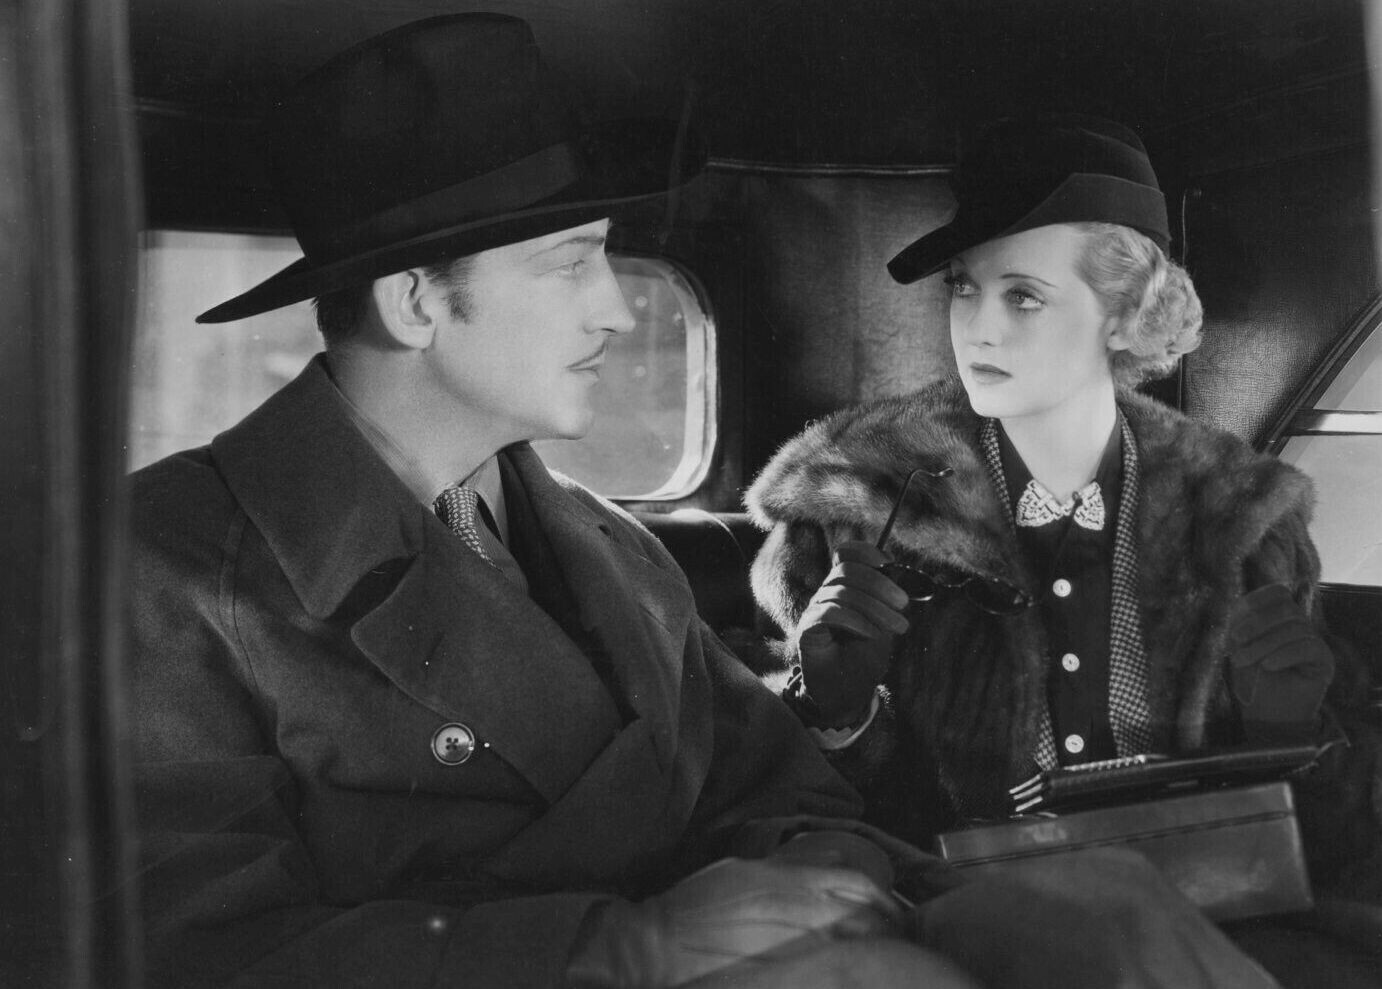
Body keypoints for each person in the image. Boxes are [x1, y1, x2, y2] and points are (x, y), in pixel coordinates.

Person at [127, 23, 1287, 984]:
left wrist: (843, 867)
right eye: (569, 262)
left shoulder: (608, 551)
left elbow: (775, 787)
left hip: (773, 941)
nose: (612, 308)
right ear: (417, 301)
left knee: (1107, 909)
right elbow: (180, 951)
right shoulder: (163, 569)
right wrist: (622, 947)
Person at [746, 116, 1380, 894]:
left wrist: (1288, 733)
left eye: (1023, 296)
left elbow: (1330, 842)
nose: (978, 329)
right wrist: (837, 712)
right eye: (964, 287)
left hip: (1197, 907)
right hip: (953, 917)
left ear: (1126, 315)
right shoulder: (851, 509)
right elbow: (774, 802)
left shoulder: (1245, 521)